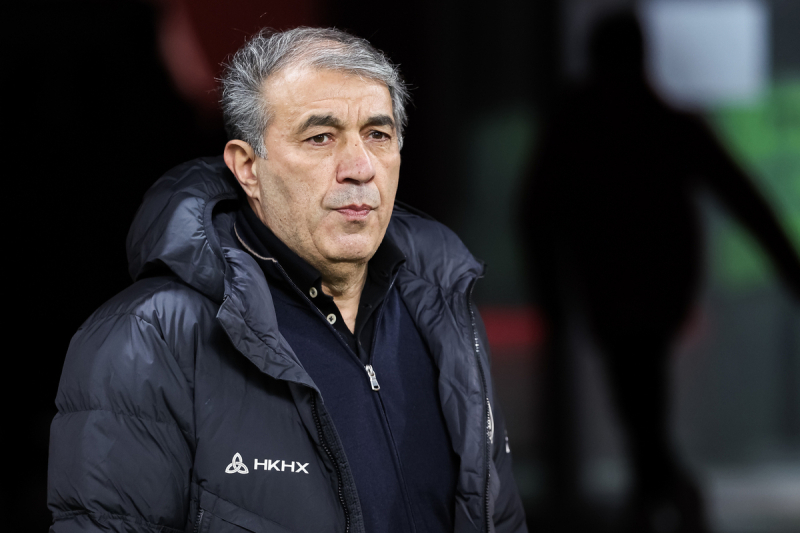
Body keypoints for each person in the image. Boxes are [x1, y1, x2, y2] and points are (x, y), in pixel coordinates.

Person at [47, 27, 527, 533]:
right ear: (248, 168)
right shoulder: (149, 339)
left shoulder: (445, 311)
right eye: (320, 137)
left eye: (378, 135)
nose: (360, 168)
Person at [519, 11, 800, 533]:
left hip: (611, 287)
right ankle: (664, 493)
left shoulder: (577, 127)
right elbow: (744, 198)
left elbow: (536, 212)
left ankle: (660, 492)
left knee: (637, 397)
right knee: (642, 396)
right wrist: (790, 268)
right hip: (659, 287)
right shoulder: (664, 123)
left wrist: (550, 289)